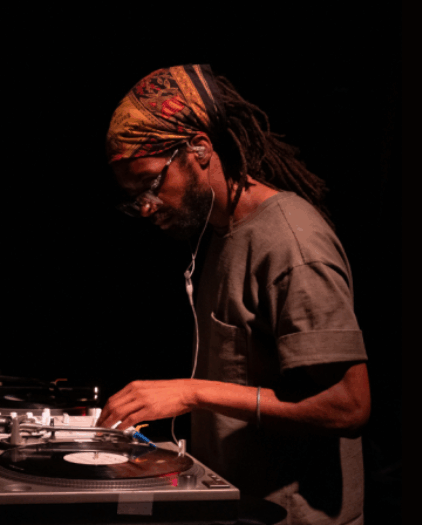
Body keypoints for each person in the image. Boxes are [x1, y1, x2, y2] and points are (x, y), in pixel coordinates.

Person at [95, 64, 371, 525]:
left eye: (151, 183)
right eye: (133, 196)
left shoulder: (291, 245)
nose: (145, 207)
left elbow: (350, 404)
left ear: (200, 149)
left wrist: (192, 393)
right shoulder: (219, 232)